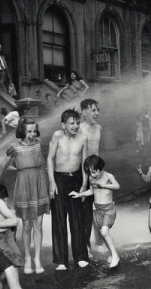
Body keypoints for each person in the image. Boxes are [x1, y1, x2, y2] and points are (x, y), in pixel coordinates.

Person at [0, 118, 50, 275]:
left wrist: (48, 184)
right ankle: (27, 259)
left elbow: (42, 163)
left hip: (39, 183)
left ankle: (37, 259)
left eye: (33, 131)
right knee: (26, 226)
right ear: (22, 131)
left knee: (38, 225)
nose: (32, 134)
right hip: (24, 184)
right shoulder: (15, 147)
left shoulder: (38, 143)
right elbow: (5, 163)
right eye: (28, 131)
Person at [47, 109, 89, 270]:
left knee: (77, 218)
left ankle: (80, 256)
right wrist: (51, 182)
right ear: (63, 125)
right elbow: (50, 159)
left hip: (76, 179)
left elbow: (85, 163)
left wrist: (84, 185)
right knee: (59, 219)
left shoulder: (83, 138)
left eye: (77, 123)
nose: (75, 126)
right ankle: (61, 260)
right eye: (72, 123)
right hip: (59, 179)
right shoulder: (57, 136)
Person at [69, 155, 120, 268]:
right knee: (103, 234)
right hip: (97, 210)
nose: (92, 175)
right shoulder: (92, 178)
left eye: (94, 172)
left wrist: (104, 185)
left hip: (108, 209)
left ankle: (115, 256)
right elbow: (91, 191)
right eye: (90, 173)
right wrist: (79, 194)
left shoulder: (108, 176)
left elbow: (117, 186)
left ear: (100, 167)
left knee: (104, 232)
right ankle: (113, 254)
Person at [79, 99, 105, 255]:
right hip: (83, 173)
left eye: (98, 110)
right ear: (84, 112)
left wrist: (100, 174)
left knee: (99, 208)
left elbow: (97, 152)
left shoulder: (99, 127)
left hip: (97, 173)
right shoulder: (80, 129)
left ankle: (99, 241)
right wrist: (84, 180)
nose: (96, 113)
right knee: (85, 211)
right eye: (93, 110)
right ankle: (86, 245)